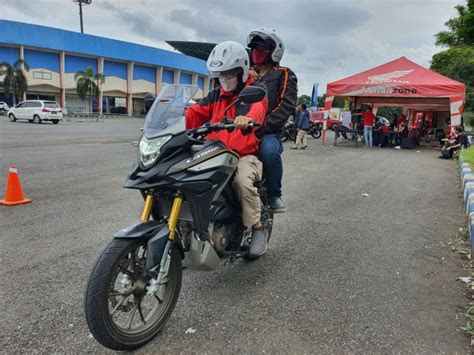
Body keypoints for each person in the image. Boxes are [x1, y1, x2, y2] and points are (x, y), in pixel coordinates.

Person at [185, 41, 269, 258]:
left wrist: (247, 119)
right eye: (220, 75)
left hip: (243, 155)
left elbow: (258, 111)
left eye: (229, 74)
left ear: (241, 72)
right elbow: (194, 114)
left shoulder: (255, 92)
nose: (224, 79)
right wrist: (172, 122)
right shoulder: (215, 94)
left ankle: (257, 227)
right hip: (214, 152)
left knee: (242, 181)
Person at [247, 28, 298, 213]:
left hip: (268, 132)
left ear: (274, 51)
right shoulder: (245, 74)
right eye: (254, 49)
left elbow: (287, 105)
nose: (257, 53)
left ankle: (275, 194)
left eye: (262, 49)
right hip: (240, 130)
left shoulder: (284, 74)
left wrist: (263, 125)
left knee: (269, 152)